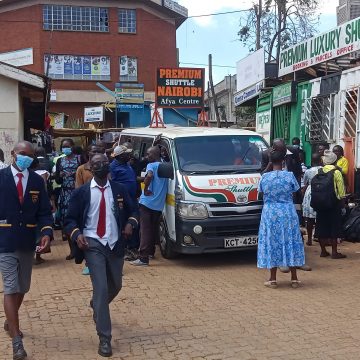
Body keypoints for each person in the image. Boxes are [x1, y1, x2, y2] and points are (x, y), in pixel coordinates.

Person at [65, 154, 138, 358]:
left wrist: (130, 223)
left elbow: (134, 211)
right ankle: (104, 338)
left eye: (105, 163)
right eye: (97, 164)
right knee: (101, 287)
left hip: (115, 243)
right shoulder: (81, 193)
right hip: (92, 242)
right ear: (90, 167)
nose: (101, 167)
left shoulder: (119, 190)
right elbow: (69, 219)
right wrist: (77, 234)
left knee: (116, 285)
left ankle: (97, 304)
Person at [0, 141, 53, 360]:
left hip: (28, 241)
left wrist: (47, 233)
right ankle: (16, 342)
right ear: (13, 154)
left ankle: (10, 320)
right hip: (4, 241)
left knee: (23, 287)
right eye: (22, 154)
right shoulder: (1, 178)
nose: (26, 159)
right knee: (11, 288)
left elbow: (44, 212)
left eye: (30, 156)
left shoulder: (36, 181)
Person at [257, 149, 305, 289]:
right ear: (283, 161)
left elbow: (260, 194)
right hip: (287, 212)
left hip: (270, 213)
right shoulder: (289, 176)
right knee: (291, 240)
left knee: (272, 241)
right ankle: (294, 279)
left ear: (271, 161)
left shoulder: (265, 178)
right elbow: (296, 191)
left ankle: (272, 279)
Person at [131, 146, 168, 266]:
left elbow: (149, 176)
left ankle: (143, 258)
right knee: (153, 229)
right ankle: (151, 252)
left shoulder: (151, 165)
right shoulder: (164, 165)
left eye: (148, 154)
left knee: (145, 230)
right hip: (159, 204)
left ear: (155, 154)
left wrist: (145, 189)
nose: (147, 157)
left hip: (147, 202)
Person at [75, 142, 105, 275]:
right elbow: (78, 188)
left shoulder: (104, 167)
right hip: (88, 205)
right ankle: (89, 263)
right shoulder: (82, 169)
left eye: (98, 151)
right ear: (88, 153)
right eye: (93, 151)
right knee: (88, 235)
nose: (95, 153)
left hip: (103, 203)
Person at [315, 150, 347, 259]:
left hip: (320, 203)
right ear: (335, 161)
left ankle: (323, 251)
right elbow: (341, 191)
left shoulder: (320, 171)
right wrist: (342, 204)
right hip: (333, 203)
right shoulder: (336, 172)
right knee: (334, 227)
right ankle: (334, 252)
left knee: (321, 227)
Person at [110, 145, 139, 261]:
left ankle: (133, 247)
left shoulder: (127, 165)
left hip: (131, 198)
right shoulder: (112, 167)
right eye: (127, 153)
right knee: (123, 223)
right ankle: (125, 249)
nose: (129, 155)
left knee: (133, 221)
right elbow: (111, 183)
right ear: (120, 156)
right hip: (120, 200)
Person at [55, 139, 81, 260]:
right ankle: (72, 251)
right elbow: (57, 180)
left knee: (80, 220)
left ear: (72, 146)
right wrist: (59, 176)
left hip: (78, 192)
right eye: (63, 146)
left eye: (67, 146)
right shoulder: (60, 160)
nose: (65, 148)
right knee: (67, 221)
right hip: (65, 194)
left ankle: (81, 248)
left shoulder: (80, 159)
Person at [302, 153, 322, 246]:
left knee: (309, 219)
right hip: (321, 191)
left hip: (310, 192)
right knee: (320, 217)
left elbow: (305, 183)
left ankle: (309, 239)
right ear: (321, 160)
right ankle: (320, 238)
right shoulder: (323, 170)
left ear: (312, 161)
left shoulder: (308, 171)